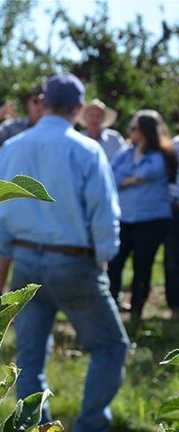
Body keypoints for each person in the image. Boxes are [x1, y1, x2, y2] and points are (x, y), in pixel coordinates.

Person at [0, 73, 129, 432]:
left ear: (44, 102)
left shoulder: (13, 147)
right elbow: (103, 211)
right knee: (111, 346)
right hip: (72, 260)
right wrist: (104, 256)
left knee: (29, 357)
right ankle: (91, 425)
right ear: (79, 110)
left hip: (25, 260)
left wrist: (4, 250)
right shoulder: (86, 149)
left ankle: (37, 427)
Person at [0, 85, 44, 305]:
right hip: (13, 196)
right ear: (28, 103)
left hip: (39, 199)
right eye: (35, 100)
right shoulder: (14, 128)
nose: (40, 105)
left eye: (44, 101)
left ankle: (25, 299)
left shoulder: (52, 131)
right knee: (6, 247)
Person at [108, 110, 176, 322]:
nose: (131, 131)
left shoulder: (161, 156)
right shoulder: (125, 152)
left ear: (145, 130)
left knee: (142, 264)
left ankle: (137, 309)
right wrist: (130, 179)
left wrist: (127, 179)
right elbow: (111, 175)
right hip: (125, 218)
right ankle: (112, 303)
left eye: (135, 127)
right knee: (115, 262)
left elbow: (145, 174)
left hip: (151, 220)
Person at [0, 85, 44, 152]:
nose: (40, 105)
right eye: (36, 101)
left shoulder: (54, 128)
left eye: (43, 101)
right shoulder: (13, 127)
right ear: (27, 104)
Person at [166, 135, 179, 320]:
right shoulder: (175, 144)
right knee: (174, 258)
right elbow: (168, 175)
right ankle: (175, 304)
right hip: (176, 208)